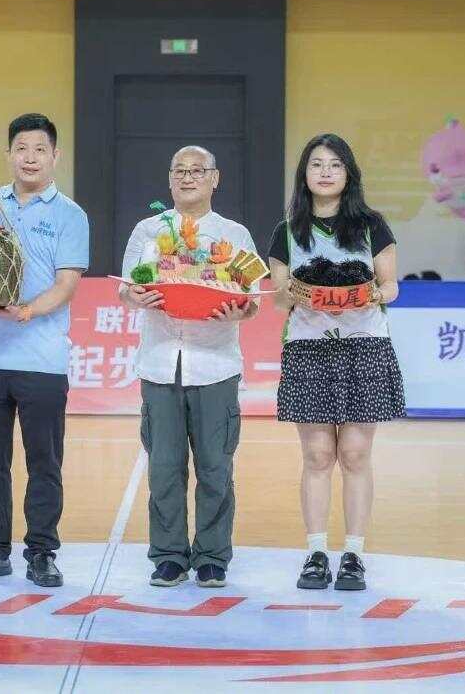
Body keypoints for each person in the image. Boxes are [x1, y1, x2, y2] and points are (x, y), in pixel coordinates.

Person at [266, 133, 405, 592]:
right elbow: (279, 298)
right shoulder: (287, 231)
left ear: (349, 173)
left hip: (364, 346)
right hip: (308, 347)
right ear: (303, 174)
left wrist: (366, 294)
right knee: (317, 455)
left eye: (335, 165)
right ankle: (315, 552)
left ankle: (355, 554)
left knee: (355, 454)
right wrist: (300, 293)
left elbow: (390, 287)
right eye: (316, 164)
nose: (325, 172)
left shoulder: (372, 225)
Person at [0, 113, 88, 589]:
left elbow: (67, 284)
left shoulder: (70, 215)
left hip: (41, 359)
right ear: (8, 154)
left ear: (55, 156)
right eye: (21, 149)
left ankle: (42, 552)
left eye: (39, 149)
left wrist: (28, 311)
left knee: (43, 462)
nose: (30, 158)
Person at [120, 146, 258, 589]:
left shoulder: (234, 234)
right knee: (164, 467)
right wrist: (133, 295)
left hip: (215, 365)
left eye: (197, 170)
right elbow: (126, 288)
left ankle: (213, 556)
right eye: (179, 170)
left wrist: (242, 310)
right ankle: (169, 556)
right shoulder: (148, 230)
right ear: (169, 179)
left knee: (216, 466)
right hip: (160, 363)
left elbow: (252, 298)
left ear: (215, 179)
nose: (187, 177)